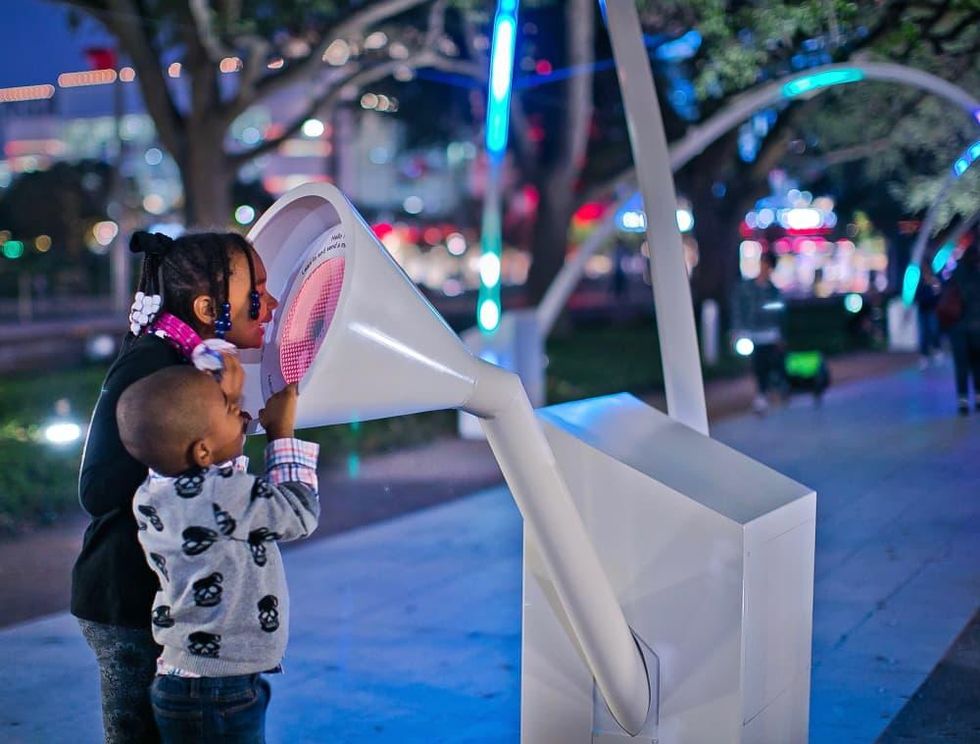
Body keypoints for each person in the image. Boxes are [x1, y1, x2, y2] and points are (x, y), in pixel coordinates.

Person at [71, 230, 279, 742]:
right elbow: (98, 489)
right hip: (128, 603)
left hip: (161, 603)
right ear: (209, 307)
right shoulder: (154, 365)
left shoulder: (185, 361)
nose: (271, 303)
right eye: (258, 289)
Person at [117, 365, 319, 743]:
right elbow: (299, 513)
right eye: (229, 408)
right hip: (219, 692)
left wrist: (214, 409)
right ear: (203, 450)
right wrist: (281, 435)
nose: (241, 411)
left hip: (190, 682)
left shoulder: (153, 495)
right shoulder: (220, 494)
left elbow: (220, 492)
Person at [732, 251, 786, 415]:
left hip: (770, 335)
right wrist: (737, 331)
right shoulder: (746, 288)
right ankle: (762, 394)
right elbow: (738, 310)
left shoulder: (774, 291)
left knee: (770, 364)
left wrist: (780, 334)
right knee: (758, 365)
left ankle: (768, 391)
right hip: (752, 334)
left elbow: (779, 314)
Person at [947, 238, 980, 415]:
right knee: (977, 364)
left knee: (961, 366)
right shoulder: (976, 276)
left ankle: (962, 401)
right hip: (976, 328)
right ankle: (978, 397)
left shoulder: (955, 276)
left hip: (957, 329)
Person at [915, 263, 943, 369]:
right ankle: (924, 355)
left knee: (933, 330)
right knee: (923, 333)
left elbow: (938, 295)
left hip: (932, 310)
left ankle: (937, 350)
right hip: (923, 311)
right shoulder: (920, 283)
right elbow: (917, 297)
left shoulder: (934, 282)